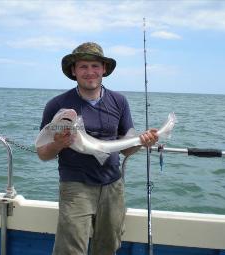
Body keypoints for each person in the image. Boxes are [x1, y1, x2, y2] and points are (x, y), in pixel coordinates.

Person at [37, 42, 158, 255]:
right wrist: (58, 144)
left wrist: (141, 143)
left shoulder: (119, 101)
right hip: (75, 185)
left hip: (112, 185)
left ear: (104, 69)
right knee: (70, 250)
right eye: (83, 66)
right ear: (74, 71)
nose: (90, 72)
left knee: (108, 247)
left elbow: (125, 149)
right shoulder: (57, 105)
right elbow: (42, 154)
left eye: (95, 66)